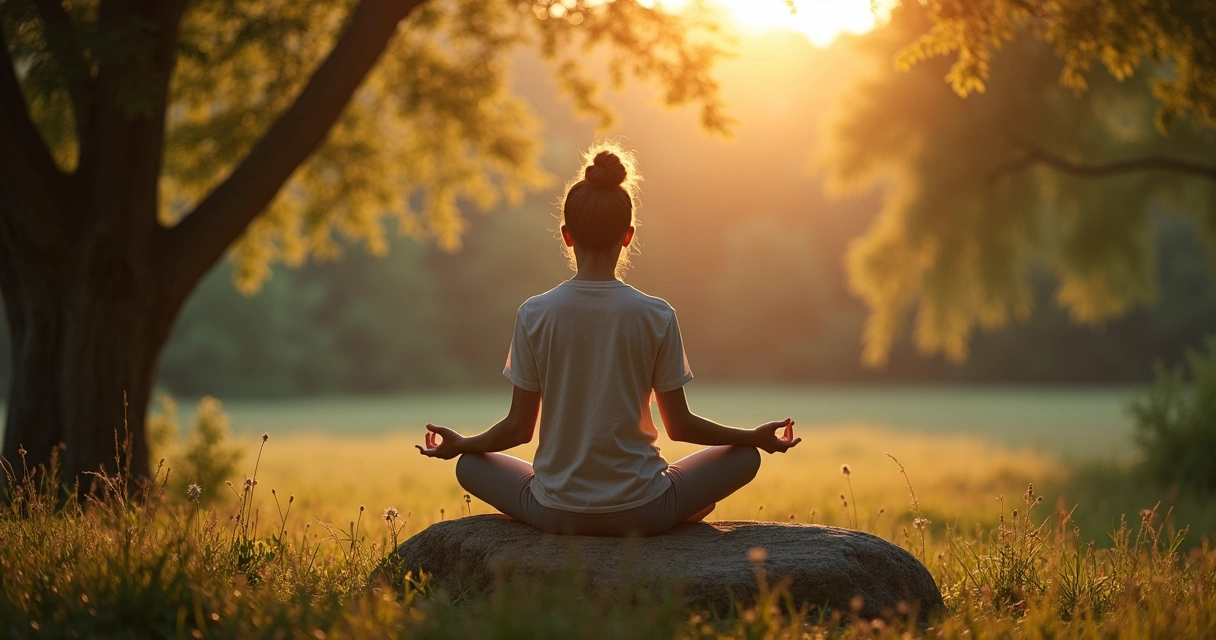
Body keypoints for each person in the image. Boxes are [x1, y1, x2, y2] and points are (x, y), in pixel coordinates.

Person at [416, 144, 800, 536]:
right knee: (745, 458)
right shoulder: (656, 314)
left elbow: (518, 429)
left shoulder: (534, 313)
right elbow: (680, 425)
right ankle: (673, 511)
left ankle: (561, 503)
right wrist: (752, 437)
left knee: (469, 465)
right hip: (645, 510)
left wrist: (462, 444)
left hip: (554, 511)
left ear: (566, 236)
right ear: (628, 236)